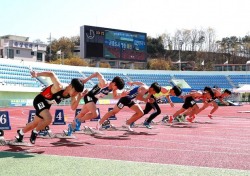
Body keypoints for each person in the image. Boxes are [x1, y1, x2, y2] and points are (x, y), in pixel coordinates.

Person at [15, 70, 84, 144]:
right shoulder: (59, 87)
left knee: (35, 123)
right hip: (40, 100)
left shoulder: (73, 95)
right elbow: (51, 74)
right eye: (75, 91)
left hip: (47, 105)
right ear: (70, 86)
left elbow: (73, 108)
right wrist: (37, 74)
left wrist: (79, 98)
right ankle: (35, 132)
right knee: (48, 119)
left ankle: (20, 133)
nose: (76, 94)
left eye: (77, 93)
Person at [97, 82, 162, 131]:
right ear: (152, 89)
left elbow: (139, 83)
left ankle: (127, 124)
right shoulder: (145, 89)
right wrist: (147, 100)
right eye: (155, 92)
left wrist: (132, 83)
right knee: (113, 112)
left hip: (130, 100)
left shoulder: (146, 87)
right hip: (125, 99)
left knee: (140, 113)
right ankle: (99, 122)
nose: (154, 94)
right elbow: (138, 97)